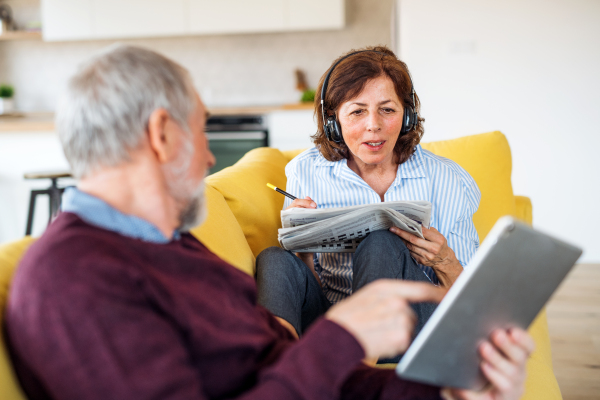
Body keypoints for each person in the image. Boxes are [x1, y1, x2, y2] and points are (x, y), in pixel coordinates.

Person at [5, 45, 533, 400]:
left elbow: (288, 369)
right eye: (202, 132)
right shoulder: (72, 280)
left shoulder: (172, 249)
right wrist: (342, 335)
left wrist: (447, 392)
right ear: (162, 134)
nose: (211, 159)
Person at [256, 46, 479, 347]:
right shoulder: (305, 171)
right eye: (357, 111)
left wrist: (445, 261)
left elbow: (475, 306)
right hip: (331, 322)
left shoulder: (448, 180)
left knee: (382, 241)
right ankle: (278, 364)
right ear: (333, 120)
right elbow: (308, 282)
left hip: (411, 327)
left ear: (408, 116)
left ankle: (354, 365)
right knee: (274, 259)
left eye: (387, 110)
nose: (373, 125)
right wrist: (303, 245)